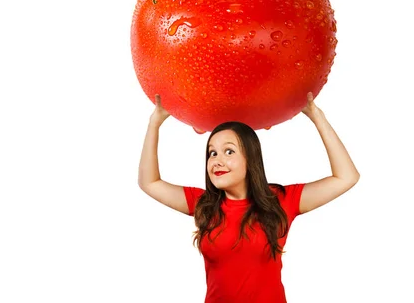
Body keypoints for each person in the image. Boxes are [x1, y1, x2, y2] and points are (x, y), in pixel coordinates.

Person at [138, 92, 360, 303]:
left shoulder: (281, 200)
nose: (217, 160)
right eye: (212, 153)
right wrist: (154, 124)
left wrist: (317, 117)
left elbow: (346, 176)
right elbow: (150, 183)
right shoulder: (203, 204)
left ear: (250, 158)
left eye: (229, 151)